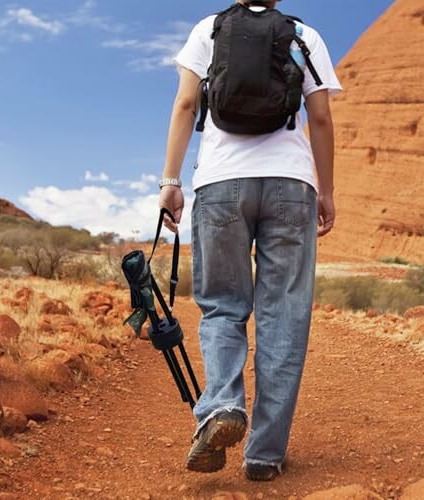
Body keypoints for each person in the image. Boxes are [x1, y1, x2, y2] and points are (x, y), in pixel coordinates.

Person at [158, 0, 342, 481]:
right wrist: (325, 190)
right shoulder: (304, 35)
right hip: (290, 185)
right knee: (284, 315)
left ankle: (221, 406)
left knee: (222, 305)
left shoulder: (209, 30)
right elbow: (320, 117)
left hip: (221, 184)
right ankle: (264, 455)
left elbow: (184, 104)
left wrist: (170, 181)